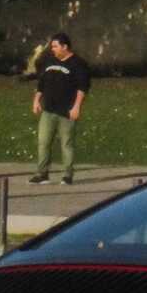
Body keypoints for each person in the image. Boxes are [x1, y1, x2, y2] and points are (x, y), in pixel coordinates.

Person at [28, 30, 91, 184]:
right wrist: (36, 101)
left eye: (55, 46)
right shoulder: (50, 61)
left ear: (65, 46)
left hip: (66, 111)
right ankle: (42, 174)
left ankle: (67, 175)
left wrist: (76, 107)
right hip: (48, 110)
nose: (53, 49)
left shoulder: (78, 64)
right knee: (43, 142)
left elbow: (82, 88)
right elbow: (41, 83)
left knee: (66, 144)